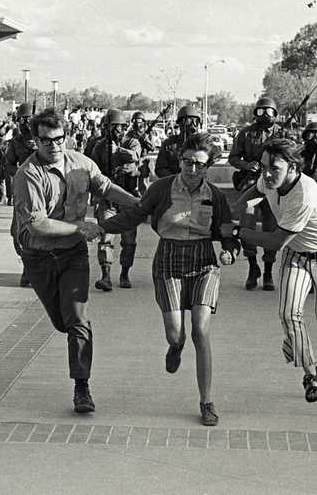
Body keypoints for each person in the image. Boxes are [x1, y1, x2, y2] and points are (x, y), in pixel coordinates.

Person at [101, 133, 240, 426]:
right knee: (176, 333)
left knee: (200, 331)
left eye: (200, 165)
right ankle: (175, 347)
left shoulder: (215, 195)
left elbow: (227, 231)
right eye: (188, 163)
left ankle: (206, 401)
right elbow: (135, 215)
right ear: (180, 161)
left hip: (203, 260)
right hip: (168, 258)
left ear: (207, 168)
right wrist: (102, 227)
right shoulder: (161, 189)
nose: (192, 170)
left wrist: (229, 251)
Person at [12, 108, 139, 414]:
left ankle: (81, 386)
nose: (53, 146)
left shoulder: (82, 163)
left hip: (73, 254)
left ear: (66, 137)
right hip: (39, 255)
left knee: (78, 319)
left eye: (58, 139)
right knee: (61, 321)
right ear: (34, 142)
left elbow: (105, 187)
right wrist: (82, 228)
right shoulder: (27, 174)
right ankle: (71, 331)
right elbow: (38, 224)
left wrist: (140, 205)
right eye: (45, 140)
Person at [227, 137, 317, 403]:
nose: (267, 174)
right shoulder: (271, 179)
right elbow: (255, 191)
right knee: (288, 314)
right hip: (296, 255)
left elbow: (275, 241)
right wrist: (238, 209)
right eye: (264, 166)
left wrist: (237, 231)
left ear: (293, 168)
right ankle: (310, 373)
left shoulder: (304, 195)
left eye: (274, 168)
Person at [229, 96, 282, 291]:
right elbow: (233, 157)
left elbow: (292, 158)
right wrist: (247, 165)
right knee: (247, 225)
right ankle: (253, 267)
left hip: (272, 187)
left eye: (269, 111)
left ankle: (268, 270)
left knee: (271, 227)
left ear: (275, 114)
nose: (265, 115)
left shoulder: (281, 134)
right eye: (261, 111)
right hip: (250, 185)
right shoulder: (245, 133)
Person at [89, 109, 141, 290]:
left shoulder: (132, 142)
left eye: (117, 128)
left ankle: (125, 273)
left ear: (124, 127)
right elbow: (93, 171)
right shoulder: (99, 147)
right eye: (109, 127)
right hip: (107, 199)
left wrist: (117, 150)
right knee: (105, 237)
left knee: (129, 240)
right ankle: (105, 276)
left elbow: (135, 155)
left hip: (128, 198)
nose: (113, 131)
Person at [5, 102, 38, 287]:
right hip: (22, 191)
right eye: (22, 120)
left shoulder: (45, 138)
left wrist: (39, 149)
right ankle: (27, 263)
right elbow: (8, 164)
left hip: (43, 192)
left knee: (39, 231)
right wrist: (19, 172)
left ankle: (33, 269)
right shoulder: (15, 142)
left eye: (29, 119)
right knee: (17, 232)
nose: (26, 123)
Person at [155, 105, 202, 178]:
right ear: (181, 123)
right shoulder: (169, 144)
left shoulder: (201, 144)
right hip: (173, 184)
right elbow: (160, 169)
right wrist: (176, 179)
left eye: (195, 121)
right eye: (189, 121)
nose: (193, 125)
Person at [125, 111, 155, 194]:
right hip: (133, 160)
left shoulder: (147, 134)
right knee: (131, 185)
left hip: (143, 160)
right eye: (134, 121)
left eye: (138, 121)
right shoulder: (130, 134)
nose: (136, 123)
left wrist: (145, 140)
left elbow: (152, 148)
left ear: (143, 122)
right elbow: (124, 144)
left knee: (144, 185)